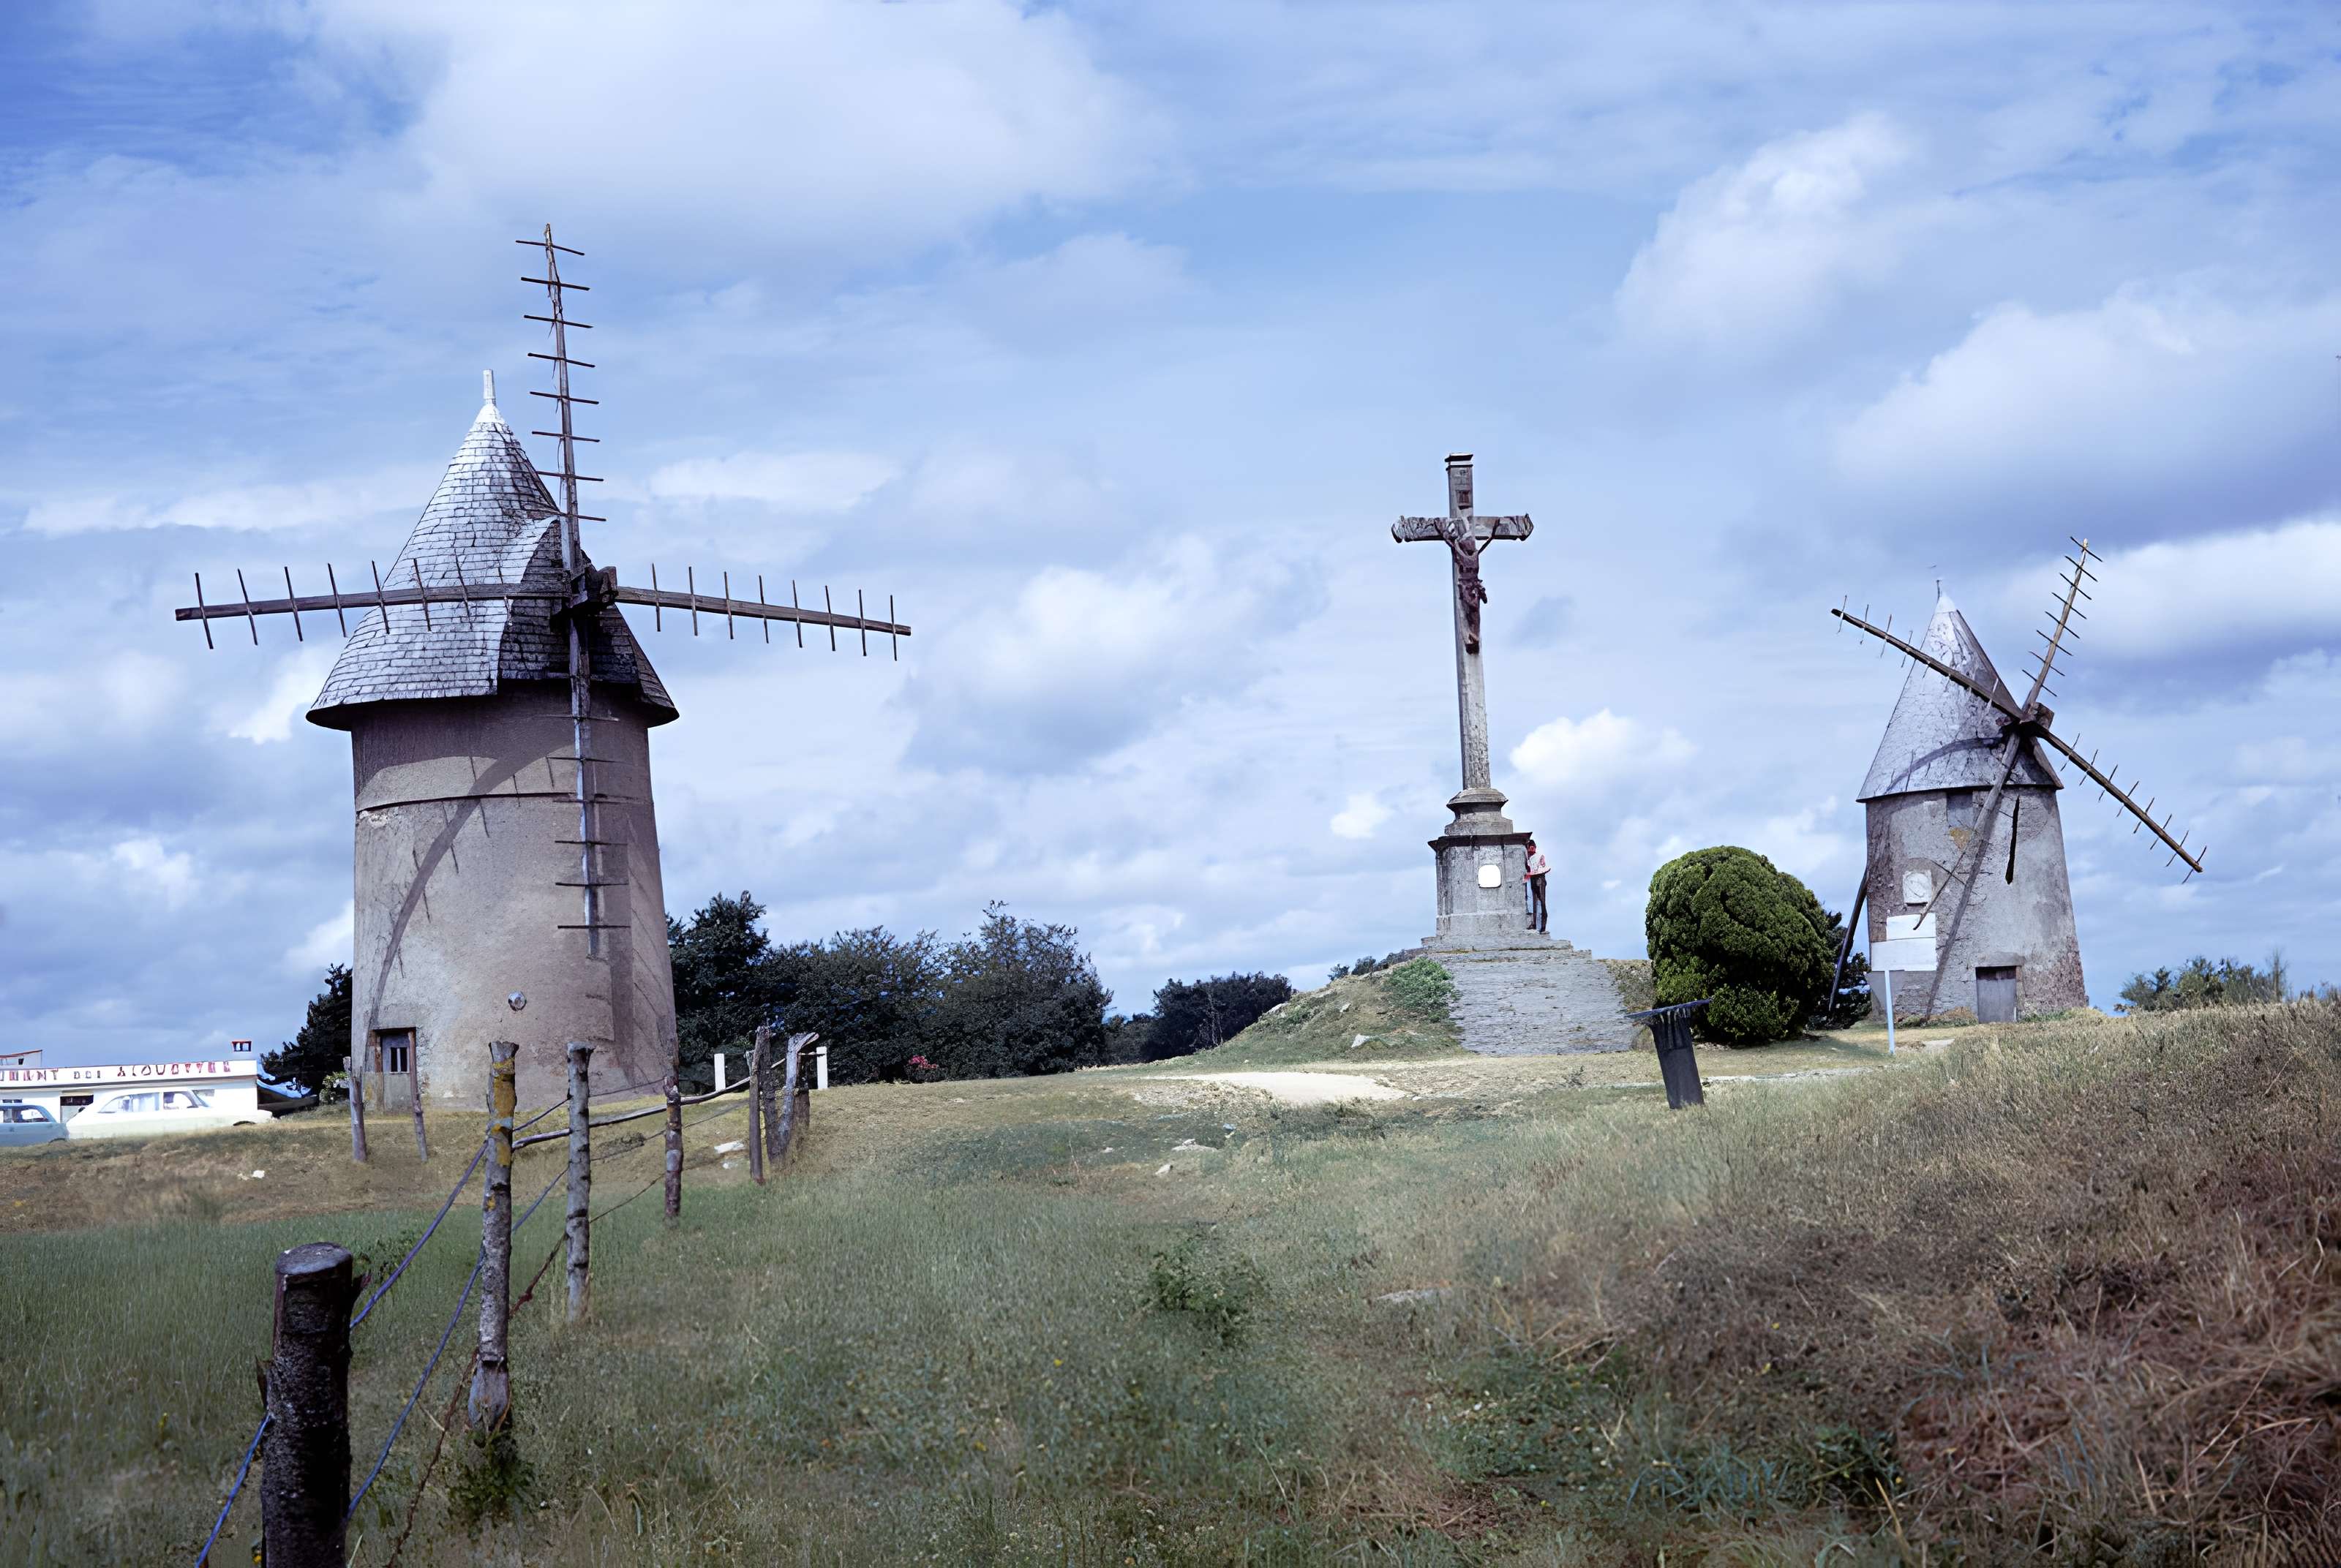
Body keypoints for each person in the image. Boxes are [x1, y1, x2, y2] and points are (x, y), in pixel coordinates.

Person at [1525, 837, 1551, 933]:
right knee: (1534, 903)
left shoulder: (1539, 856)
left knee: (1542, 902)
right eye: (1529, 848)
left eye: (1532, 847)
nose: (1530, 850)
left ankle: (1543, 926)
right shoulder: (1529, 859)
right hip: (1533, 880)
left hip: (1540, 880)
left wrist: (1530, 874)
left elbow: (1542, 869)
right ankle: (1535, 924)